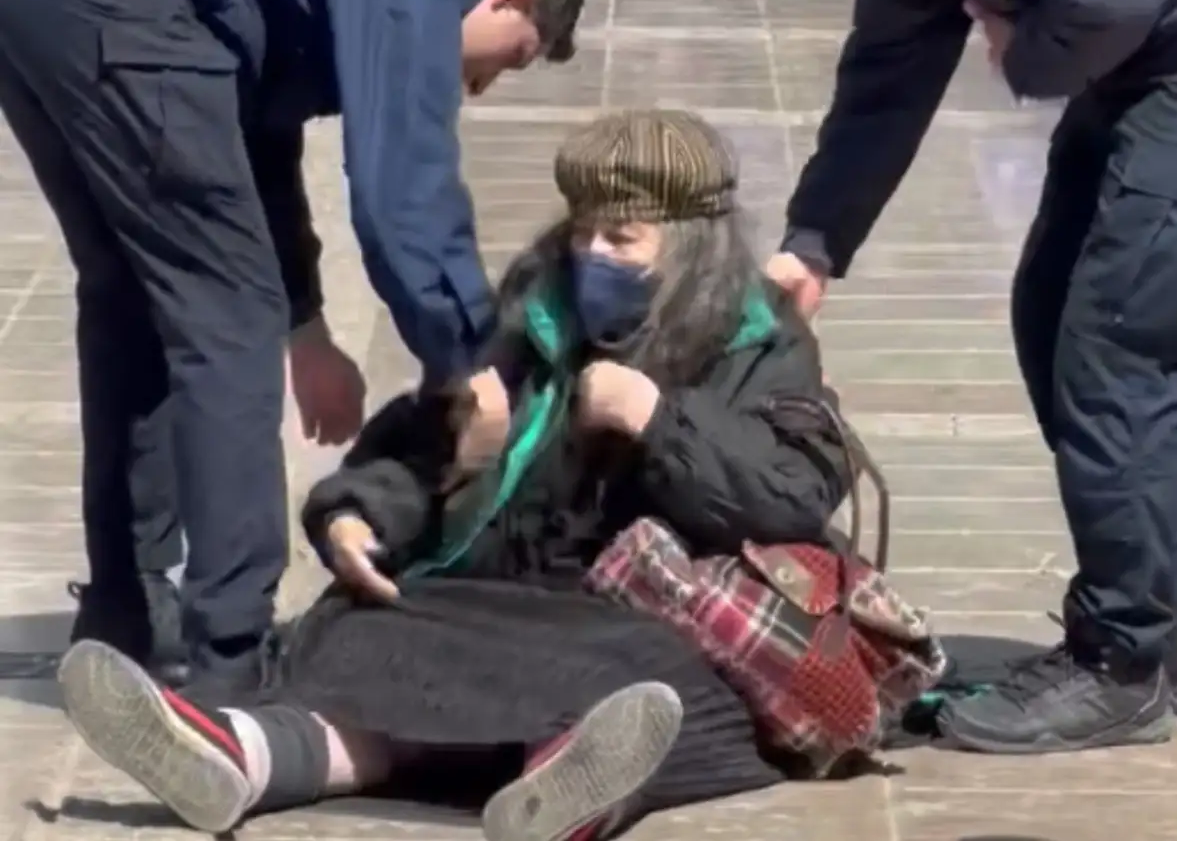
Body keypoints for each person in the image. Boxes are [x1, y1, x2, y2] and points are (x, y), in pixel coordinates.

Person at [55, 109, 853, 840]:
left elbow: (794, 495)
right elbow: (436, 437)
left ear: (689, 245)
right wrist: (363, 512)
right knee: (355, 630)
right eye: (583, 232)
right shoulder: (537, 315)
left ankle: (572, 786)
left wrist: (658, 420)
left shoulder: (762, 342)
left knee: (659, 697)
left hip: (654, 621)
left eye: (622, 238)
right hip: (512, 600)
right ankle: (241, 755)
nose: (594, 254)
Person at [0, 0, 585, 689]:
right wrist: (470, 362)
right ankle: (231, 665)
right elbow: (401, 186)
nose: (478, 85)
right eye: (510, 59)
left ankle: (127, 612)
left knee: (135, 290)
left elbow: (245, 116)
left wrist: (306, 324)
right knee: (230, 323)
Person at [766, 0, 1177, 751]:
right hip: (1140, 70)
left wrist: (1028, 55)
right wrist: (814, 243)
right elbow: (889, 70)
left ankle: (1118, 666)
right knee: (1052, 313)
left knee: (1118, 345)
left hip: (1175, 65)